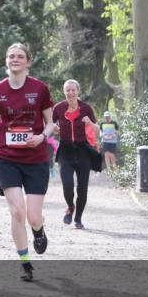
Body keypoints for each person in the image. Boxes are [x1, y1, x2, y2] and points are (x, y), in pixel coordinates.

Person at [0, 43, 54, 282]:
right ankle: (25, 262)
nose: (15, 59)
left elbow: (51, 123)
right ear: (6, 61)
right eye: (11, 56)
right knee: (17, 211)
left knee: (33, 216)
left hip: (36, 159)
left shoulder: (40, 89)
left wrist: (42, 136)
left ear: (28, 62)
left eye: (20, 56)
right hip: (8, 159)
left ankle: (39, 229)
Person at [52, 79, 98, 230]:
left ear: (78, 91)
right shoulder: (58, 108)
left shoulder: (86, 108)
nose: (70, 93)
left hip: (83, 150)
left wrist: (89, 123)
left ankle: (78, 217)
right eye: (68, 90)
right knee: (67, 184)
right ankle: (70, 206)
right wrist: (54, 128)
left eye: (73, 90)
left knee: (82, 188)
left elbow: (98, 130)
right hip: (65, 150)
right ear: (64, 92)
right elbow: (49, 126)